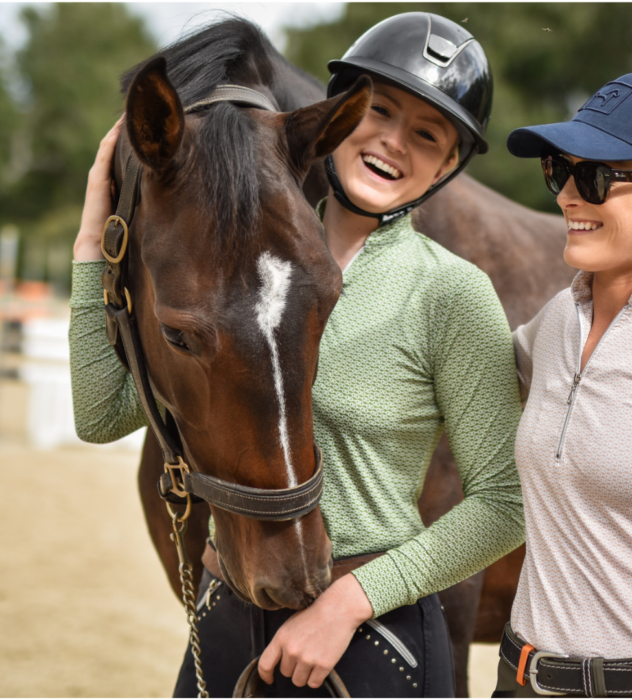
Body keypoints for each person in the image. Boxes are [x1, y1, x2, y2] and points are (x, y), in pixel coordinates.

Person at [69, 13, 525, 698]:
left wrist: (351, 601)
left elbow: (503, 503)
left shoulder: (450, 292)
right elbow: (101, 415)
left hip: (374, 633)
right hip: (229, 618)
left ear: (449, 165)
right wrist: (91, 248)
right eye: (381, 113)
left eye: (427, 135)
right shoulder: (240, 274)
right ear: (333, 119)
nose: (393, 143)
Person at [492, 73, 632, 698]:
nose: (567, 198)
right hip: (515, 679)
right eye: (561, 171)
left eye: (597, 178)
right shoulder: (556, 321)